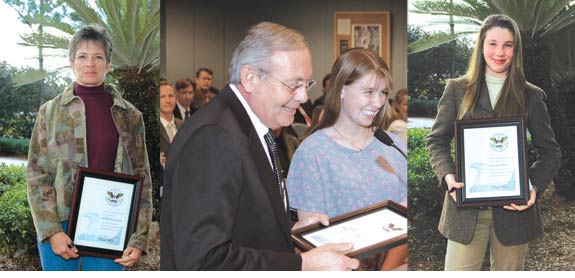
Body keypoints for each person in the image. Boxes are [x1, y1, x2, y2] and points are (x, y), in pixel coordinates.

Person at [161, 21, 359, 271]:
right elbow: (205, 261)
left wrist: (288, 230)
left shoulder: (248, 127)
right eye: (293, 84)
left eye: (306, 84)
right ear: (250, 78)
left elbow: (243, 221)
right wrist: (303, 264)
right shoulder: (213, 138)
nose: (303, 97)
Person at [426, 14, 562, 271]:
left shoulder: (530, 95)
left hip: (515, 213)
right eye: (493, 43)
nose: (499, 52)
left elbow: (550, 152)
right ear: (481, 45)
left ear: (516, 49)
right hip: (464, 212)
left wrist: (531, 186)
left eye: (508, 45)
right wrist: (447, 176)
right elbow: (437, 140)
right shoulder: (456, 90)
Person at [26, 25, 152, 271]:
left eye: (98, 57)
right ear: (72, 62)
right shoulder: (50, 112)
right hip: (59, 226)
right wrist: (50, 230)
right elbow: (35, 173)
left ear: (109, 63)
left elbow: (142, 178)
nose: (90, 64)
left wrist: (138, 237)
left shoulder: (130, 115)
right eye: (82, 56)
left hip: (111, 228)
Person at [286, 48, 407, 270]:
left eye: (383, 93)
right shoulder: (312, 153)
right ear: (341, 90)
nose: (378, 102)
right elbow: (312, 240)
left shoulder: (393, 145)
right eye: (368, 92)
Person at [160, 81, 183, 168]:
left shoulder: (184, 125)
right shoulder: (152, 128)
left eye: (171, 96)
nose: (168, 100)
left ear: (176, 98)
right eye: (162, 97)